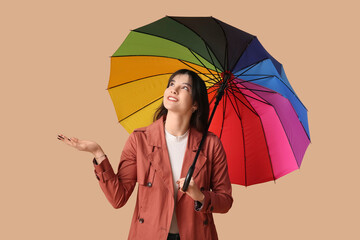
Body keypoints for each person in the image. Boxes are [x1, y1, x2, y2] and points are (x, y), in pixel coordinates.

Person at [57, 69, 233, 240]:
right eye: (172, 84)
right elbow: (118, 198)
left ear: (195, 104)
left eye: (185, 88)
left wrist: (199, 196)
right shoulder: (139, 140)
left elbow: (225, 201)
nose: (174, 89)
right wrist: (97, 153)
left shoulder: (210, 144)